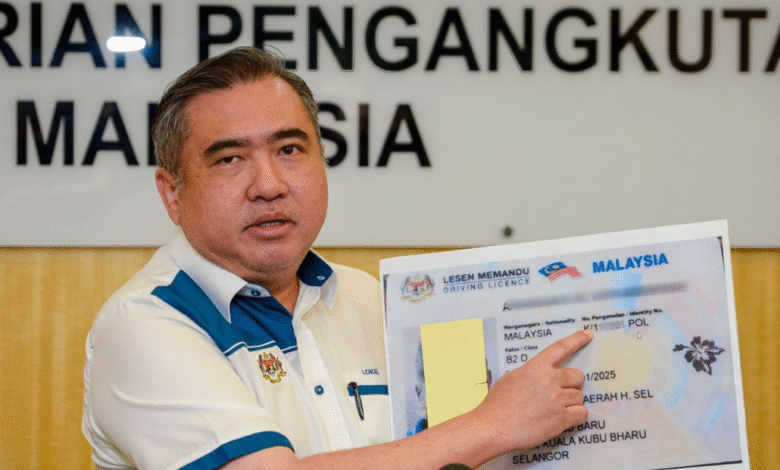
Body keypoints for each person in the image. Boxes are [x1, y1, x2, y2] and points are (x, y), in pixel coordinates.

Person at [82, 46, 593, 470]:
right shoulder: (142, 324)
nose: (269, 185)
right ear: (172, 193)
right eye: (231, 159)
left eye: (289, 150)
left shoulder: (365, 297)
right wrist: (493, 425)